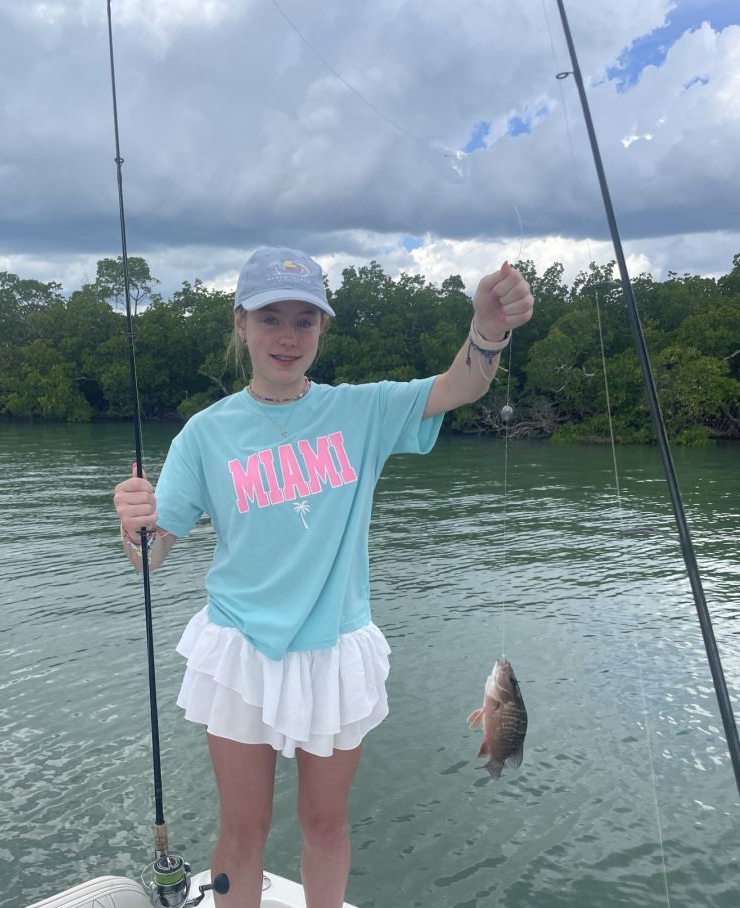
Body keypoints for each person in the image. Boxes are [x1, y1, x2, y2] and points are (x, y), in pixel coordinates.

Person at [113, 246, 533, 908]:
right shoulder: (204, 434)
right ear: (241, 326)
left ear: (322, 330)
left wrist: (487, 328)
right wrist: (133, 526)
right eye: (270, 318)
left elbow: (463, 385)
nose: (287, 336)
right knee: (243, 831)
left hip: (336, 650)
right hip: (240, 652)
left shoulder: (361, 411)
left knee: (326, 823)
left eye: (304, 320)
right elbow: (151, 554)